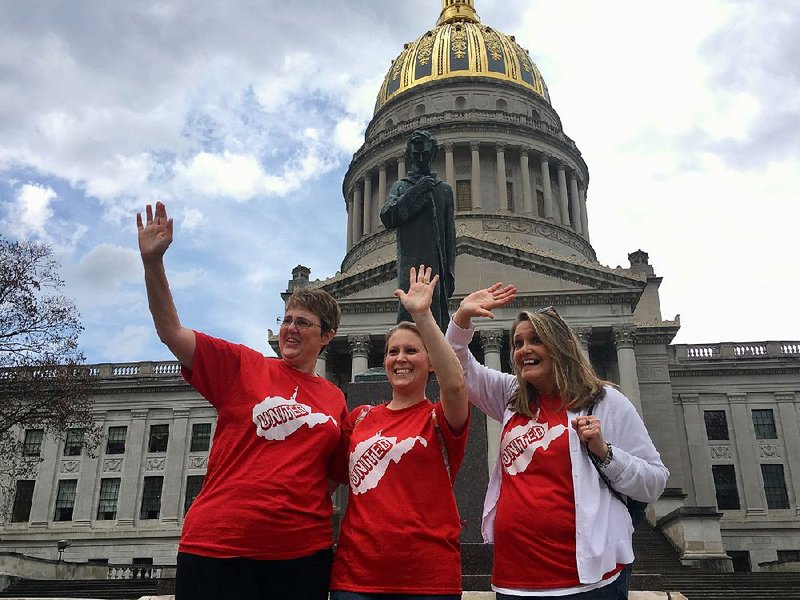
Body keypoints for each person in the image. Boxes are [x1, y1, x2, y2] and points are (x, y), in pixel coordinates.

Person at [136, 201, 347, 600]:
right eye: (287, 319)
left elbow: (332, 474)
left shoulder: (335, 399)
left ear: (327, 336)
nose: (290, 329)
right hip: (220, 546)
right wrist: (153, 264)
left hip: (301, 554)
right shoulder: (241, 366)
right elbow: (171, 332)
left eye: (302, 322)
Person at [445, 283, 669, 599]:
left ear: (562, 345)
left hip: (586, 584)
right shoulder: (511, 397)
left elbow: (655, 482)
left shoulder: (605, 402)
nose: (524, 350)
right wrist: (462, 320)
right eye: (517, 343)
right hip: (514, 580)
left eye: (536, 340)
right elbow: (456, 370)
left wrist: (605, 453)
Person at [329, 265, 469, 600]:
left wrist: (422, 316)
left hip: (426, 581)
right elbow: (324, 482)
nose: (400, 358)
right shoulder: (359, 419)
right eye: (393, 351)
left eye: (411, 351)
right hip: (355, 579)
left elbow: (455, 385)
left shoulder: (439, 419)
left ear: (431, 361)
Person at [380, 130, 456, 333]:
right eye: (416, 154)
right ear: (410, 156)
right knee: (408, 320)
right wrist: (417, 191)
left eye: (425, 154)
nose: (420, 158)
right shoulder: (401, 186)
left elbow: (450, 236)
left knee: (438, 323)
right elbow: (388, 216)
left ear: (433, 154)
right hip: (410, 263)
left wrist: (449, 272)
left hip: (437, 265)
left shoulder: (444, 190)